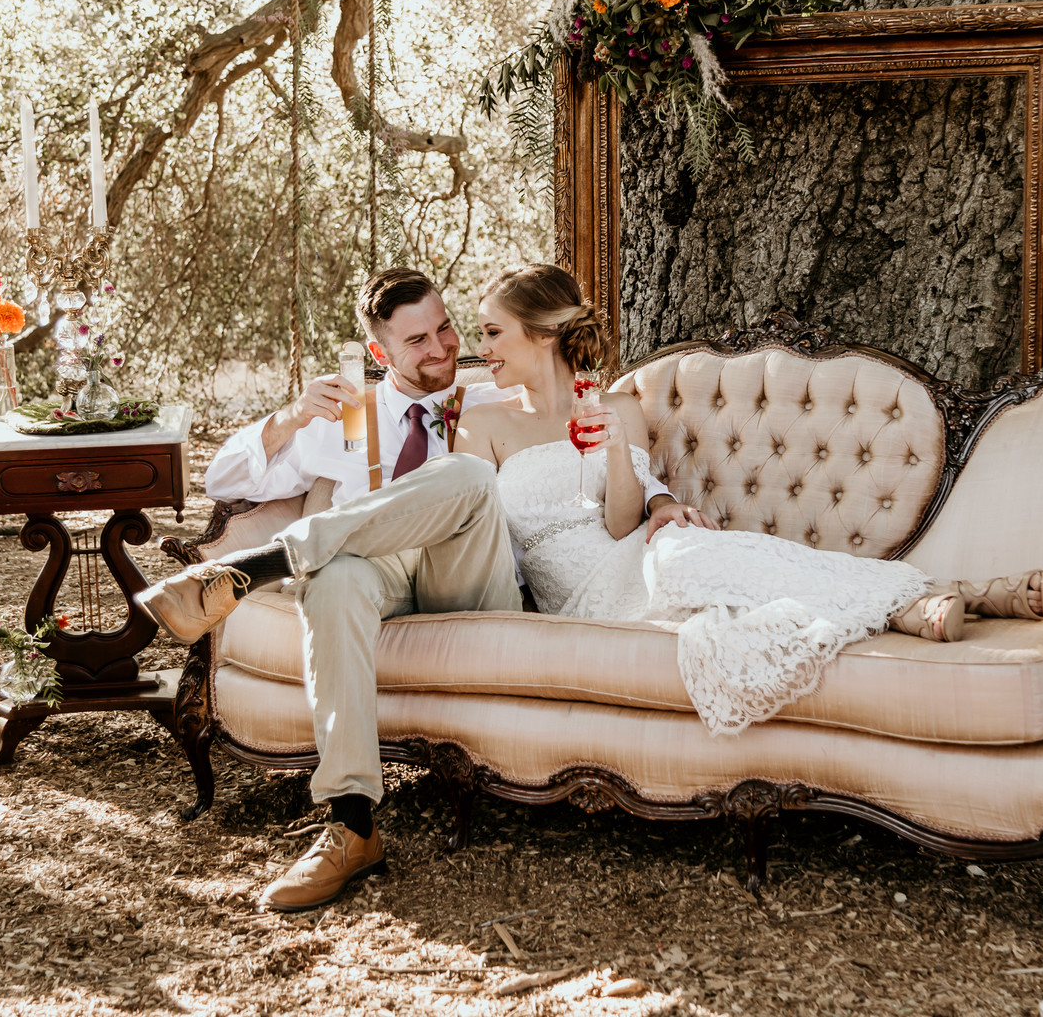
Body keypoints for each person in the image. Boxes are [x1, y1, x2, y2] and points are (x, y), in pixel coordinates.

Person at [135, 267, 708, 912]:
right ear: (380, 354)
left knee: (464, 475)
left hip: (465, 576)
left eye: (446, 328)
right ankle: (350, 824)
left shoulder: (489, 397)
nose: (442, 350)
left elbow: (592, 457)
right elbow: (221, 478)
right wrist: (289, 418)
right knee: (336, 578)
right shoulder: (346, 409)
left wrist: (658, 497)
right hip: (373, 576)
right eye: (418, 341)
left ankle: (266, 563)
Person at [453, 264, 933, 737]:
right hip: (579, 594)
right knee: (705, 589)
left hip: (637, 548)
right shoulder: (483, 426)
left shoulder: (616, 407)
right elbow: (471, 532)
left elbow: (622, 525)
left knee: (694, 557)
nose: (483, 349)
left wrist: (619, 447)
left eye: (493, 332)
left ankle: (915, 601)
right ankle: (916, 599)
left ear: (544, 333)